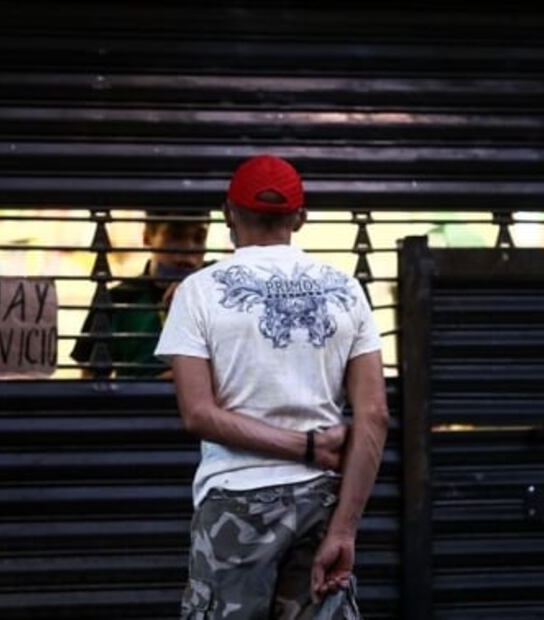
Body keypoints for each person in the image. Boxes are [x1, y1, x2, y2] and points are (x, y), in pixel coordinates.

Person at [155, 155, 389, 618]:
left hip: (234, 503)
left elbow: (198, 413)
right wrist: (343, 530)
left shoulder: (197, 291)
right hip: (321, 503)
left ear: (228, 214)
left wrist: (306, 446)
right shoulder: (347, 290)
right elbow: (375, 415)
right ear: (300, 218)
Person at [71, 210, 209, 378]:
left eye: (199, 238)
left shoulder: (221, 290)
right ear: (147, 237)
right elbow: (91, 381)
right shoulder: (117, 299)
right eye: (175, 236)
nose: (189, 250)